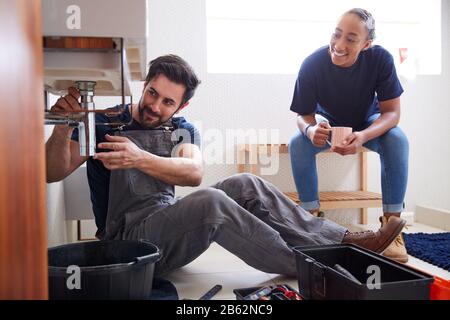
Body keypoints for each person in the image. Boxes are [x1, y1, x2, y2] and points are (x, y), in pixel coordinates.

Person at [46, 54, 406, 277]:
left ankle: (345, 242)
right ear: (145, 85)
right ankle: (315, 269)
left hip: (167, 228)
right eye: (153, 93)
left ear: (181, 108)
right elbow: (52, 172)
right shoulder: (106, 122)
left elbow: (193, 173)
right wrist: (66, 124)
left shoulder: (181, 130)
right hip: (127, 243)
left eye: (168, 102)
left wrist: (139, 157)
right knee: (212, 204)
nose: (156, 106)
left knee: (246, 183)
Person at [288, 8, 409, 263]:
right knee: (298, 143)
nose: (339, 44)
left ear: (366, 44)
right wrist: (310, 130)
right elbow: (303, 115)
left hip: (367, 123)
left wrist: (364, 135)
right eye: (337, 34)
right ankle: (310, 225)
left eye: (351, 39)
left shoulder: (381, 59)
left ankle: (393, 227)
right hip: (327, 125)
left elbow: (392, 113)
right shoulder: (312, 63)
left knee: (397, 140)